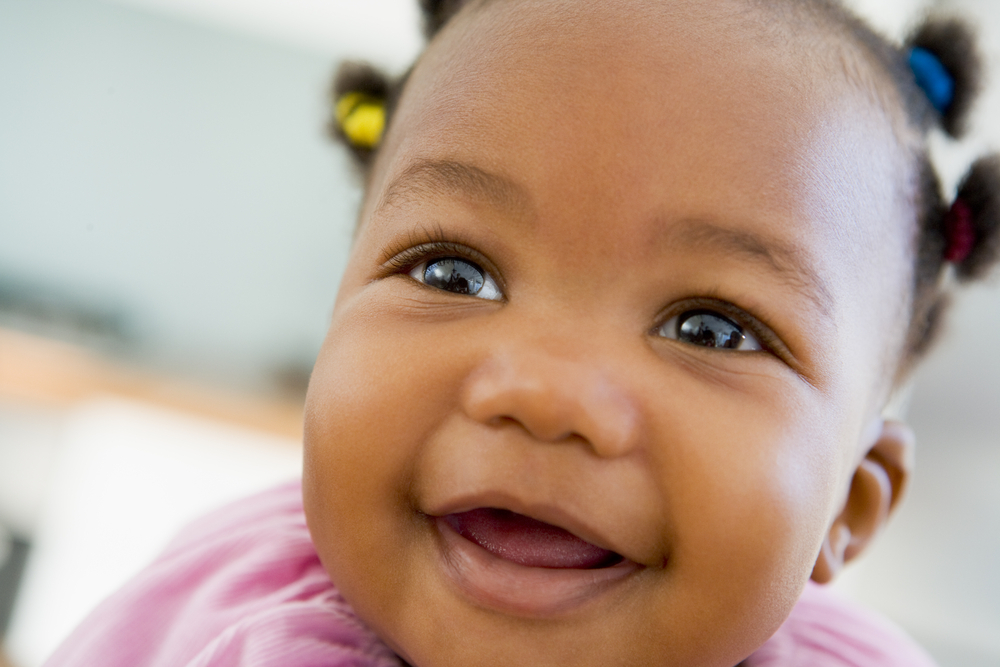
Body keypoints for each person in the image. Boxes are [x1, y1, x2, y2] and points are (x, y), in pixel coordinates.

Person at [44, 0, 1000, 665]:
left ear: (849, 508)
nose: (546, 392)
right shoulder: (204, 631)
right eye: (454, 272)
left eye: (711, 329)